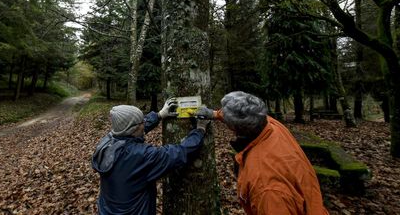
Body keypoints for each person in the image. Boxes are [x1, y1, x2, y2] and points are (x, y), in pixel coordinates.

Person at [196, 91, 329, 215]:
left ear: (235, 128)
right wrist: (214, 114)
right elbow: (242, 112)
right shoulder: (268, 123)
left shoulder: (266, 187)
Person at [92, 99, 209, 215]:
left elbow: (133, 129)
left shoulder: (107, 142)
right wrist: (200, 130)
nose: (144, 123)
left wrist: (159, 115)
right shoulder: (142, 156)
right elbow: (178, 153)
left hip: (107, 210)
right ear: (133, 128)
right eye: (142, 122)